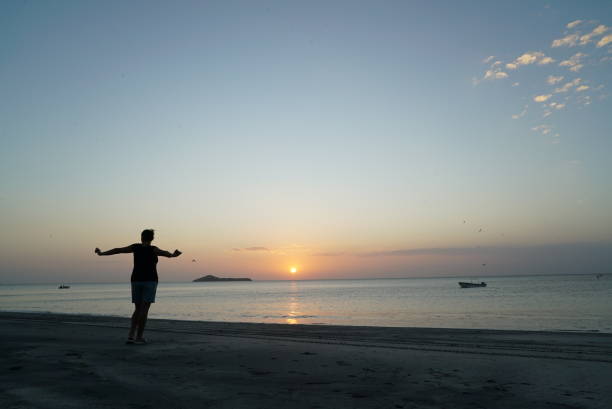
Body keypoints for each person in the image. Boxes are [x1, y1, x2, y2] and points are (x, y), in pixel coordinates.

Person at [95, 229, 181, 344]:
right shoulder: (153, 249)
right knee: (144, 310)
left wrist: (101, 253)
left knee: (137, 309)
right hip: (150, 281)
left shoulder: (136, 247)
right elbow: (167, 254)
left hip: (136, 280)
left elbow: (118, 250)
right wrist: (173, 255)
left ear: (141, 237)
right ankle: (139, 337)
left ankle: (131, 335)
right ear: (152, 238)